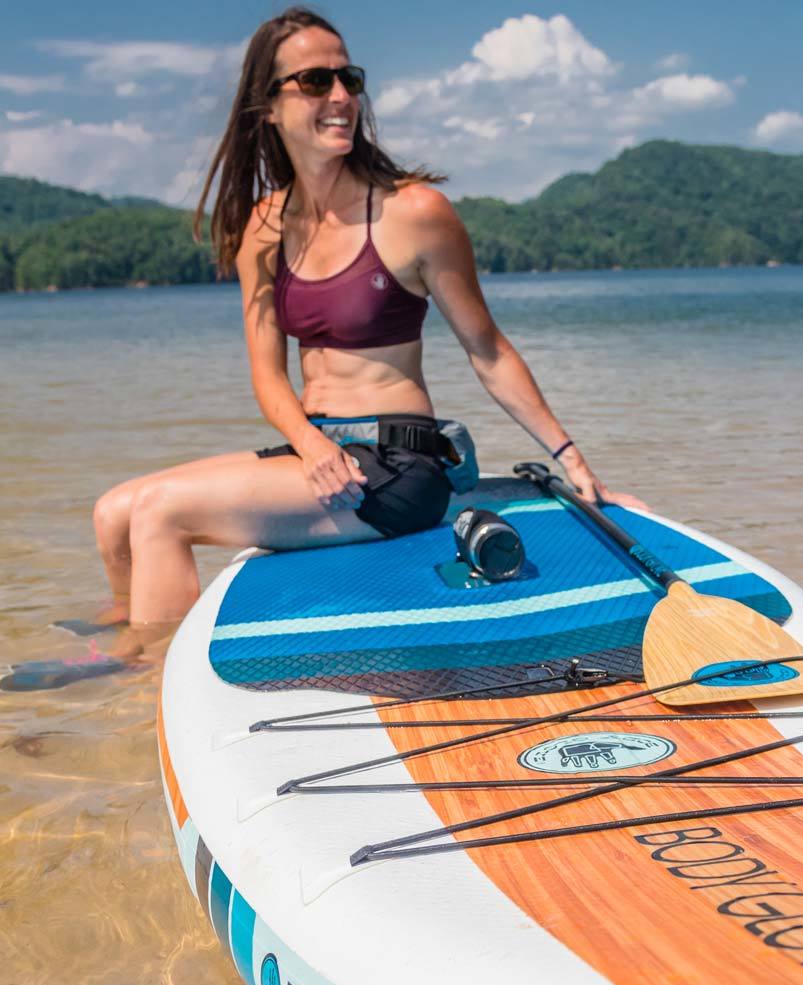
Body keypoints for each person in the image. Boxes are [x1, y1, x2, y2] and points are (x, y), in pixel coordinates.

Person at [86, 5, 640, 665]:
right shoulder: (261, 228)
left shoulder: (414, 214)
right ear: (269, 106)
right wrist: (310, 444)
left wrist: (572, 459)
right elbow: (268, 375)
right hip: (317, 458)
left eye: (349, 78)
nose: (342, 96)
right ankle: (121, 646)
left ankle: (139, 684)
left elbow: (486, 349)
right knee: (113, 512)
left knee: (161, 513)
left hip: (398, 469)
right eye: (315, 82)